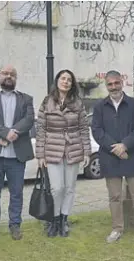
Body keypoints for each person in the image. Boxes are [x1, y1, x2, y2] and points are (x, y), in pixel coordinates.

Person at [91, 70, 134, 245]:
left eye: (116, 83)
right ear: (106, 85)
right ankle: (117, 228)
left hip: (132, 156)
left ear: (122, 82)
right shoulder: (99, 107)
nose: (113, 87)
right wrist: (116, 148)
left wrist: (125, 145)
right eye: (110, 84)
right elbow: (97, 131)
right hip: (110, 157)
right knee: (115, 197)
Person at [0, 65, 35, 242]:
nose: (8, 76)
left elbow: (29, 119)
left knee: (16, 192)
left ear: (16, 78)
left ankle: (15, 225)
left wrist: (13, 133)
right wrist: (4, 133)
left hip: (17, 156)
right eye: (5, 73)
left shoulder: (26, 98)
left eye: (12, 74)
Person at [35, 69, 91, 238]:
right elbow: (41, 129)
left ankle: (63, 220)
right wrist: (40, 155)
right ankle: (54, 218)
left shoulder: (78, 103)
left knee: (69, 188)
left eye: (69, 79)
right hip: (52, 150)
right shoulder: (47, 102)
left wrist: (87, 152)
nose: (65, 81)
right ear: (57, 81)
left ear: (72, 84)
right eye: (63, 78)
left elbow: (83, 128)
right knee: (56, 187)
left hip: (73, 149)